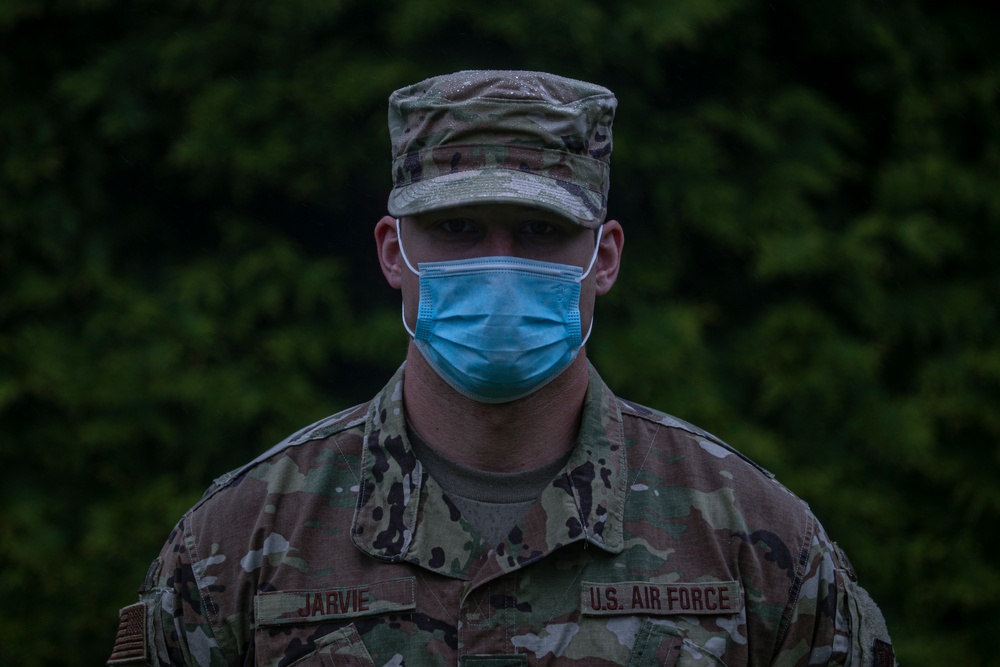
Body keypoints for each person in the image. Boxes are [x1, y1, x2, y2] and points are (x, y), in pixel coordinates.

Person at [108, 70, 896, 667]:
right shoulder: (236, 541)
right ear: (393, 251)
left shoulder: (751, 538)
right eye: (455, 227)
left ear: (604, 256)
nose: (498, 264)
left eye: (538, 228)